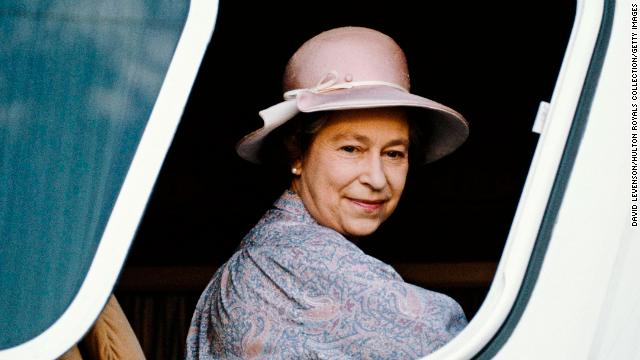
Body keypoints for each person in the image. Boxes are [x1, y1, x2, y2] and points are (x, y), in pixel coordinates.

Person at [186, 26, 469, 359]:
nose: (377, 179)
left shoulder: (275, 247)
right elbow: (459, 343)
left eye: (394, 153)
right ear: (296, 154)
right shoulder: (293, 260)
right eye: (351, 149)